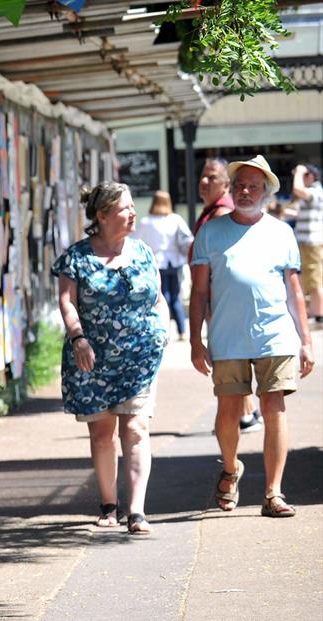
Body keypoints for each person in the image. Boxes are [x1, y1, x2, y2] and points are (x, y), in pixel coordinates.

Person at [189, 155, 315, 518]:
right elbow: (199, 293)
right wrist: (197, 341)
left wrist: (305, 340)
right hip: (227, 336)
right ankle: (230, 468)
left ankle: (273, 492)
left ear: (266, 192)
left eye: (253, 186)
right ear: (232, 188)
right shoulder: (211, 232)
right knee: (228, 410)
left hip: (275, 334)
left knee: (273, 406)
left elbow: (294, 291)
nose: (245, 191)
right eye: (240, 185)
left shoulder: (281, 232)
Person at [53, 182, 167, 535]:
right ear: (101, 215)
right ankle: (108, 504)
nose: (133, 213)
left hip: (140, 356)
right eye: (124, 208)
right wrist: (78, 337)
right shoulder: (76, 257)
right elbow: (67, 301)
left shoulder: (144, 251)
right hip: (92, 356)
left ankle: (137, 511)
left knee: (135, 427)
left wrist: (161, 332)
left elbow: (158, 296)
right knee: (103, 433)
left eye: (133, 206)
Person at [192, 158, 263, 433]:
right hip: (215, 298)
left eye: (211, 177)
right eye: (203, 175)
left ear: (225, 185)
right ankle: (246, 413)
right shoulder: (213, 212)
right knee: (232, 358)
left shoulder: (221, 214)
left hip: (218, 299)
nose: (204, 181)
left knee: (231, 358)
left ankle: (243, 416)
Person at [135, 190, 193, 340]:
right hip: (174, 261)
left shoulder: (146, 222)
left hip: (156, 263)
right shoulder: (175, 219)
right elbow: (188, 238)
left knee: (162, 297)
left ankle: (164, 329)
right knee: (175, 297)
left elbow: (135, 241)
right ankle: (182, 330)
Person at [290, 163, 323, 324]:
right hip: (305, 242)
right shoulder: (311, 193)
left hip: (312, 243)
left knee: (315, 279)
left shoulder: (315, 191)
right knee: (304, 278)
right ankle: (312, 313)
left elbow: (297, 189)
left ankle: (319, 316)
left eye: (304, 176)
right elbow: (298, 213)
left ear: (311, 176)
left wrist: (299, 170)